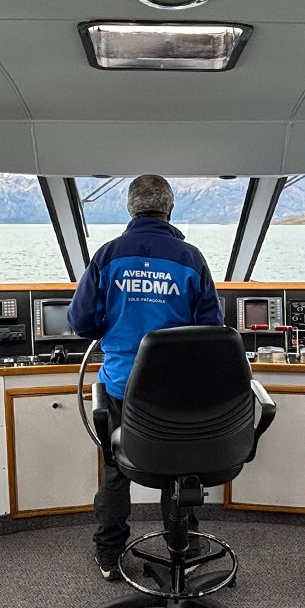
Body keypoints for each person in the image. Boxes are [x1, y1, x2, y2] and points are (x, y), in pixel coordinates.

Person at [67, 174, 223, 579]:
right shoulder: (190, 259)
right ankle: (185, 548)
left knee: (117, 470)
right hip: (177, 391)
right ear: (169, 208)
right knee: (180, 468)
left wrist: (114, 320)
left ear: (130, 209)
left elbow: (82, 322)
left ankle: (109, 554)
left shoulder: (107, 256)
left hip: (122, 387)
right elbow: (212, 330)